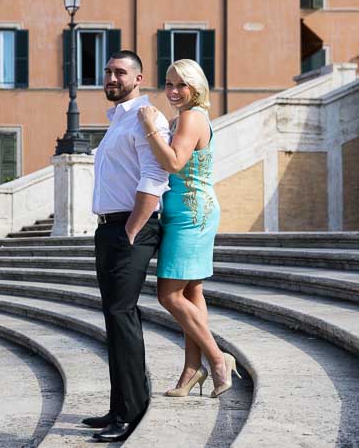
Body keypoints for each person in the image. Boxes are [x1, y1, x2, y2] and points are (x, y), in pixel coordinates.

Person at [137, 59, 240, 399]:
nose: (173, 91)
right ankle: (191, 372)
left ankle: (217, 358)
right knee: (192, 292)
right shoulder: (190, 117)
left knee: (168, 295)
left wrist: (151, 127)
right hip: (190, 210)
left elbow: (174, 162)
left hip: (191, 214)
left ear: (196, 88)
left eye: (181, 84)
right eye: (168, 84)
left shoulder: (191, 117)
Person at [82, 50, 170, 442]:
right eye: (108, 72)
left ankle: (131, 413)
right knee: (115, 319)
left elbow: (155, 178)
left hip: (130, 229)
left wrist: (132, 231)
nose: (111, 78)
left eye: (120, 72)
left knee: (121, 315)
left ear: (139, 78)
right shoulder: (118, 120)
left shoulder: (145, 118)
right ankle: (120, 407)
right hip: (110, 229)